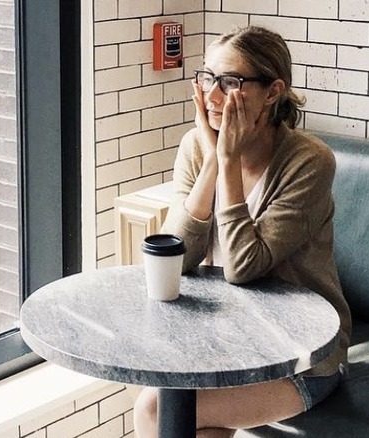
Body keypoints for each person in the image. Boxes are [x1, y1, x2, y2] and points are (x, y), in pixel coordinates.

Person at [132, 25, 352, 438]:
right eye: (207, 78)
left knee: (157, 410)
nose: (213, 96)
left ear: (272, 92)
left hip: (302, 353)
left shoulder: (309, 162)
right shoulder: (196, 147)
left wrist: (228, 161)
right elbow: (175, 258)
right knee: (196, 428)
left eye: (231, 82)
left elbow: (242, 267)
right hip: (226, 340)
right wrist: (214, 159)